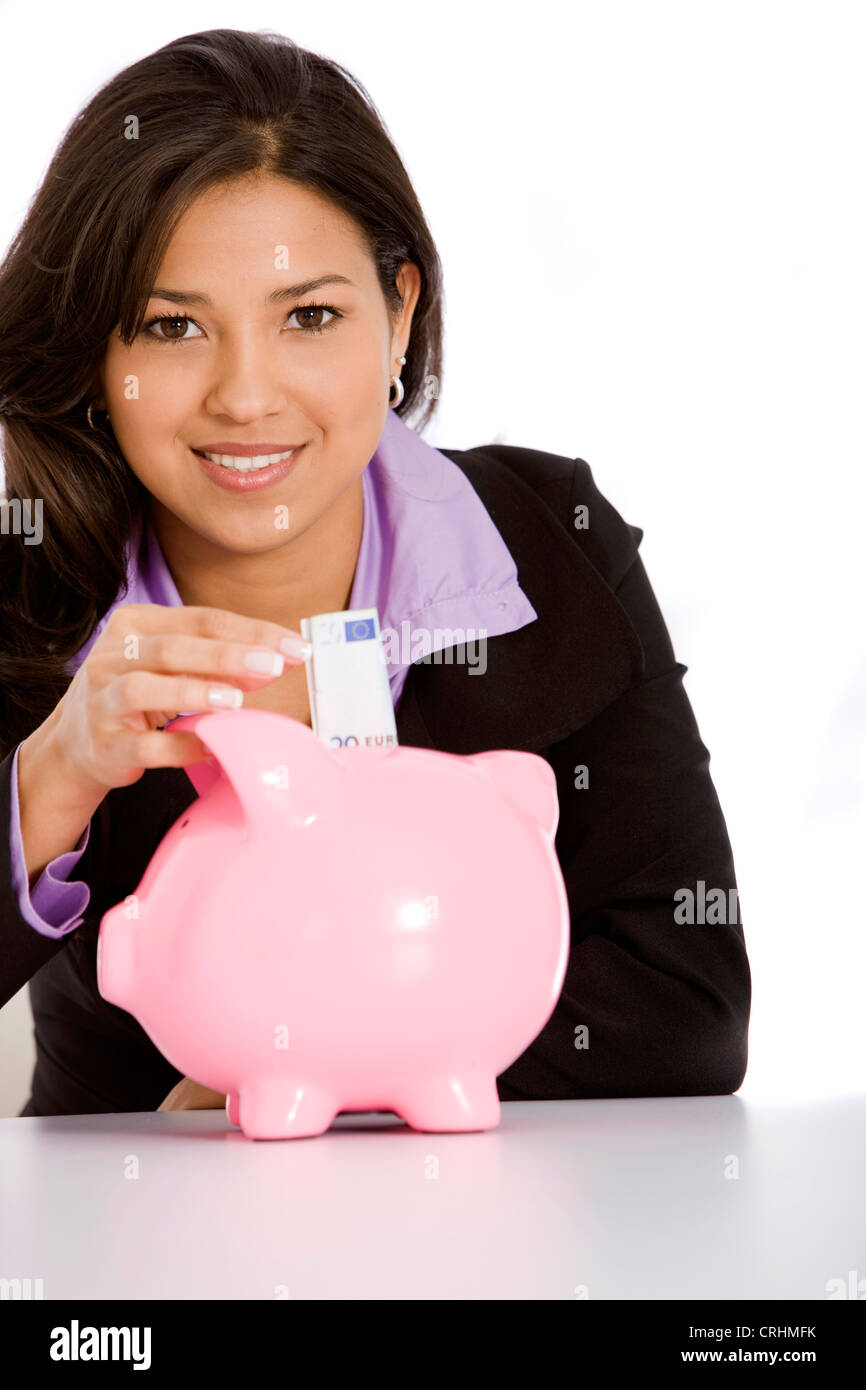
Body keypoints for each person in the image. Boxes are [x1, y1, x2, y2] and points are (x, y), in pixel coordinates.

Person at [0, 28, 751, 1119]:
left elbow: (685, 1005)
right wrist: (48, 781)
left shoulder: (549, 540)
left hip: (493, 1252)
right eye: (171, 327)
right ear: (94, 353)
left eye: (309, 316)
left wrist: (278, 1071)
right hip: (139, 1248)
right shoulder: (31, 586)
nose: (246, 397)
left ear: (396, 312)